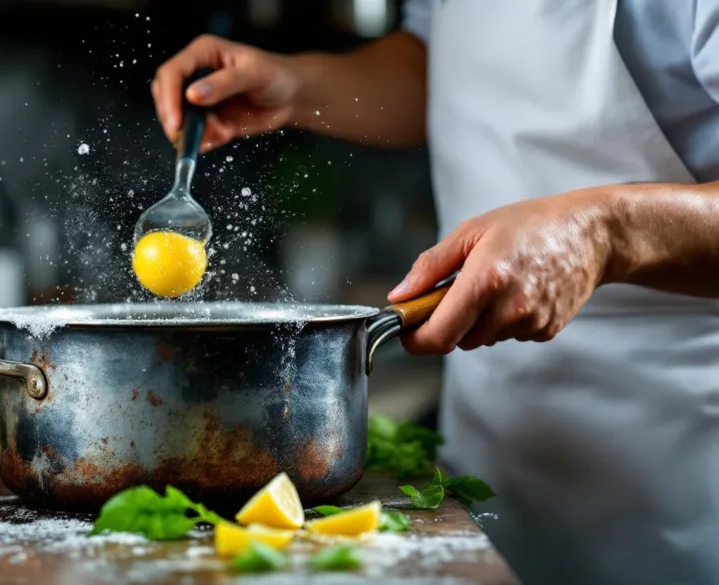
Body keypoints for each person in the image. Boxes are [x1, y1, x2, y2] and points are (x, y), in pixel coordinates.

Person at [151, 2, 719, 585]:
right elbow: (441, 66)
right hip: (487, 450)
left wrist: (605, 232)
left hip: (670, 464)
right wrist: (297, 86)